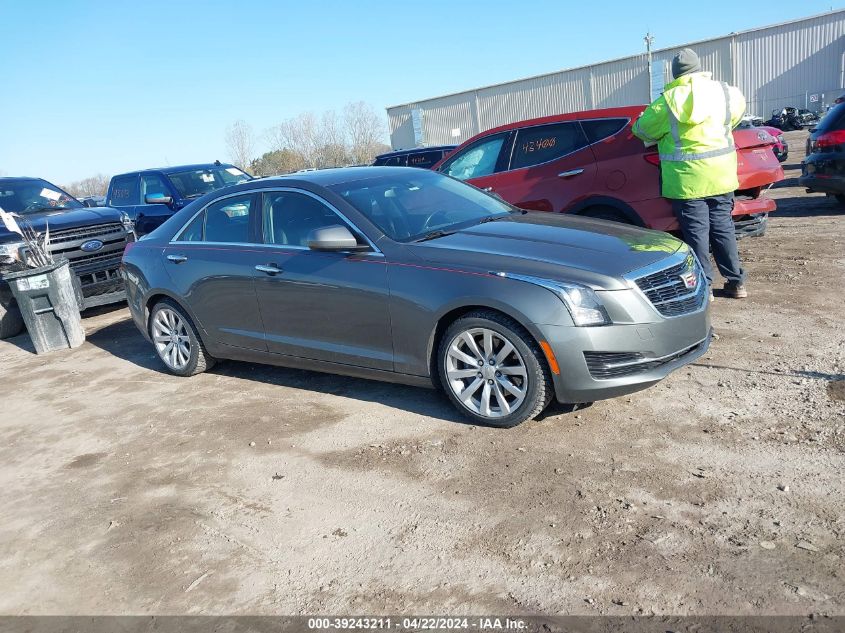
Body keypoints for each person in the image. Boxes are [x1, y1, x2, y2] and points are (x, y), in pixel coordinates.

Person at [633, 48, 748, 299]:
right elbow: (735, 117)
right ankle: (736, 282)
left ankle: (705, 286)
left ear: (675, 73)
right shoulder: (727, 93)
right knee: (723, 228)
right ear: (699, 67)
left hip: (686, 180)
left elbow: (642, 130)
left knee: (696, 234)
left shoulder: (669, 101)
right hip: (721, 175)